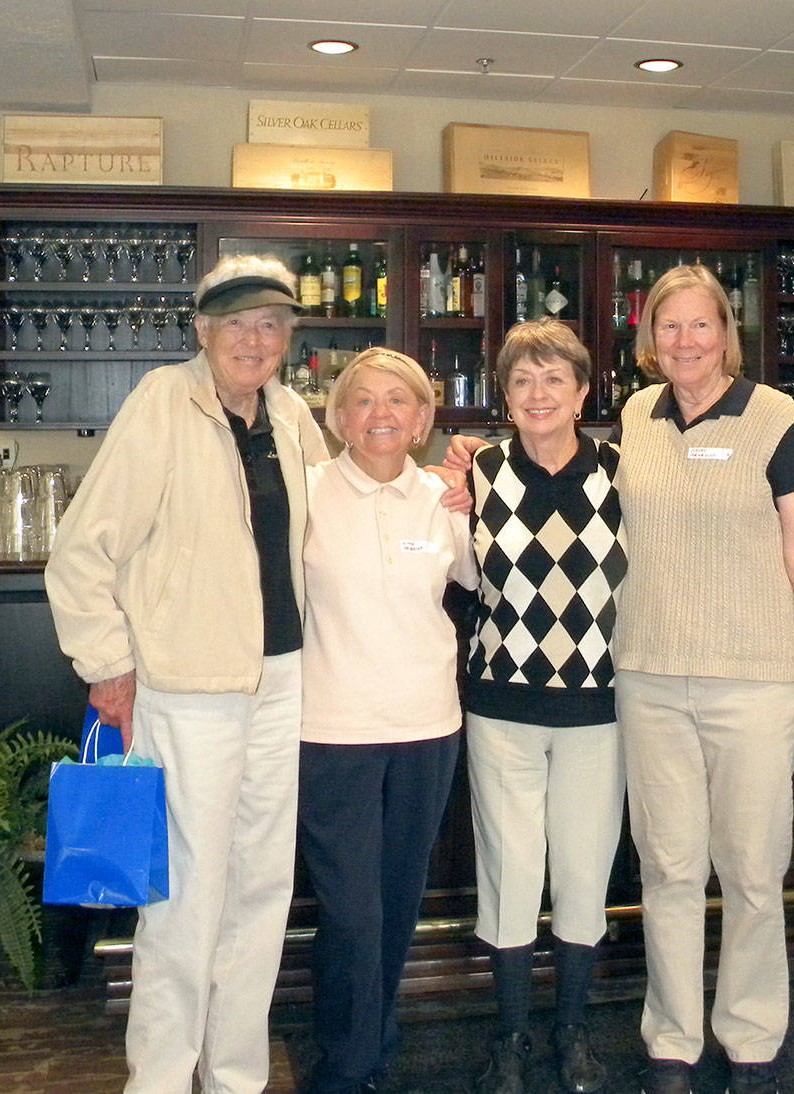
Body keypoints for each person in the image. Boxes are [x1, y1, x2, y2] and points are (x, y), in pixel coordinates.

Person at [45, 253, 326, 1092]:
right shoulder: (164, 404)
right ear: (201, 331)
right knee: (186, 898)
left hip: (281, 683)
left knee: (260, 893)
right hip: (188, 689)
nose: (254, 338)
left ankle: (235, 1075)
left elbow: (337, 521)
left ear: (288, 340)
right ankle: (161, 1078)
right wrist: (108, 667)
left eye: (271, 324)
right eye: (236, 322)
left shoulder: (292, 416)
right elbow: (81, 550)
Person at [614, 264, 794, 1094]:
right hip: (649, 676)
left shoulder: (775, 418)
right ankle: (672, 1039)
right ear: (649, 339)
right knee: (668, 868)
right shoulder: (634, 415)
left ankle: (753, 1035)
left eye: (701, 326)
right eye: (669, 326)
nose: (685, 342)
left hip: (755, 682)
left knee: (753, 870)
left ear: (728, 334)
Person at [298, 347, 479, 1094]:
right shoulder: (303, 490)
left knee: (399, 901)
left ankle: (371, 1034)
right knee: (351, 911)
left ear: (422, 419)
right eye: (363, 401)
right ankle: (347, 1063)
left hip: (428, 725)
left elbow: (488, 579)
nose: (381, 415)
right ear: (337, 417)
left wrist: (476, 489)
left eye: (398, 401)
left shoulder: (445, 502)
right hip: (330, 727)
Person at [464, 320, 627, 1094]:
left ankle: (571, 1031)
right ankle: (510, 1036)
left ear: (583, 392)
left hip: (599, 706)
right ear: (504, 395)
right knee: (509, 871)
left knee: (584, 870)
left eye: (554, 378)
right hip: (500, 703)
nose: (539, 393)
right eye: (523, 381)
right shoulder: (473, 474)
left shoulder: (624, 473)